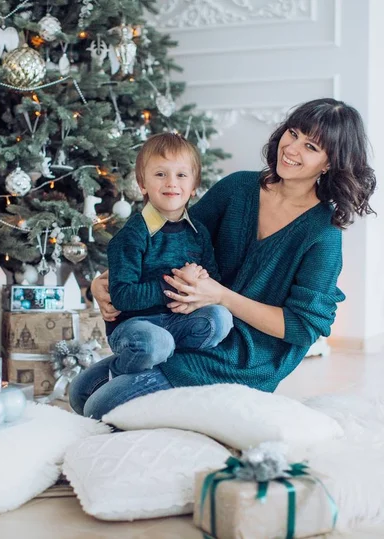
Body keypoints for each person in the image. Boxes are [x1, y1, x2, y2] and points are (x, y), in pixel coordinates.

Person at [70, 97, 376, 420]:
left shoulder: (322, 233)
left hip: (245, 358)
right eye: (294, 133)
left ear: (329, 163)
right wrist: (105, 281)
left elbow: (302, 327)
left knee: (95, 406)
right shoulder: (238, 188)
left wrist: (221, 296)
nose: (292, 148)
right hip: (190, 330)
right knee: (79, 394)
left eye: (311, 146)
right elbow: (169, 236)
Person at [104, 133, 232, 380]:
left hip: (179, 321)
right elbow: (121, 297)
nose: (171, 183)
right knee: (155, 342)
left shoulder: (199, 233)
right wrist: (174, 286)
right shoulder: (132, 235)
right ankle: (116, 374)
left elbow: (212, 281)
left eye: (181, 175)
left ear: (193, 186)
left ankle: (172, 369)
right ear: (142, 184)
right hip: (136, 325)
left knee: (220, 319)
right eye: (160, 174)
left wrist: (198, 287)